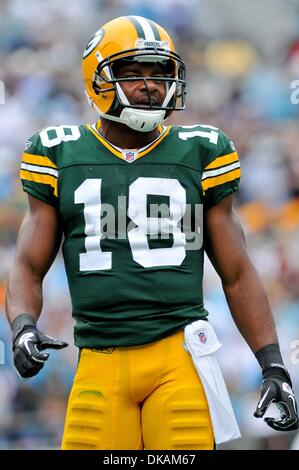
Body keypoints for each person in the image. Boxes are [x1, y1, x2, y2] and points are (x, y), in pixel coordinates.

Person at [6, 15, 298, 450]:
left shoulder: (201, 149)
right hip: (99, 359)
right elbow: (29, 265)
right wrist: (24, 326)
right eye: (133, 73)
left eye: (160, 73)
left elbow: (236, 273)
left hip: (178, 357)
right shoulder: (58, 151)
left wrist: (272, 363)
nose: (151, 85)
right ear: (98, 77)